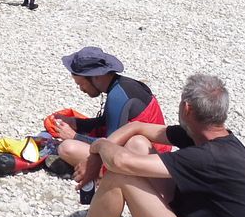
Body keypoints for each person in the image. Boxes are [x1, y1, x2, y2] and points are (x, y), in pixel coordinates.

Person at [35, 74, 245, 217]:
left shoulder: (209, 157)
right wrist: (95, 157)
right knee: (138, 144)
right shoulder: (211, 138)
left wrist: (100, 146)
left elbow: (120, 163)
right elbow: (137, 128)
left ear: (187, 108)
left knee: (121, 175)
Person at [46, 47, 167, 183]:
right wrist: (77, 123)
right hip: (156, 153)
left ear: (96, 76)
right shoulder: (123, 86)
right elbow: (107, 121)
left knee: (66, 148)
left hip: (146, 160)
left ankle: (101, 176)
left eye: (81, 84)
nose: (81, 89)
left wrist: (74, 136)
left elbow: (110, 144)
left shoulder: (117, 97)